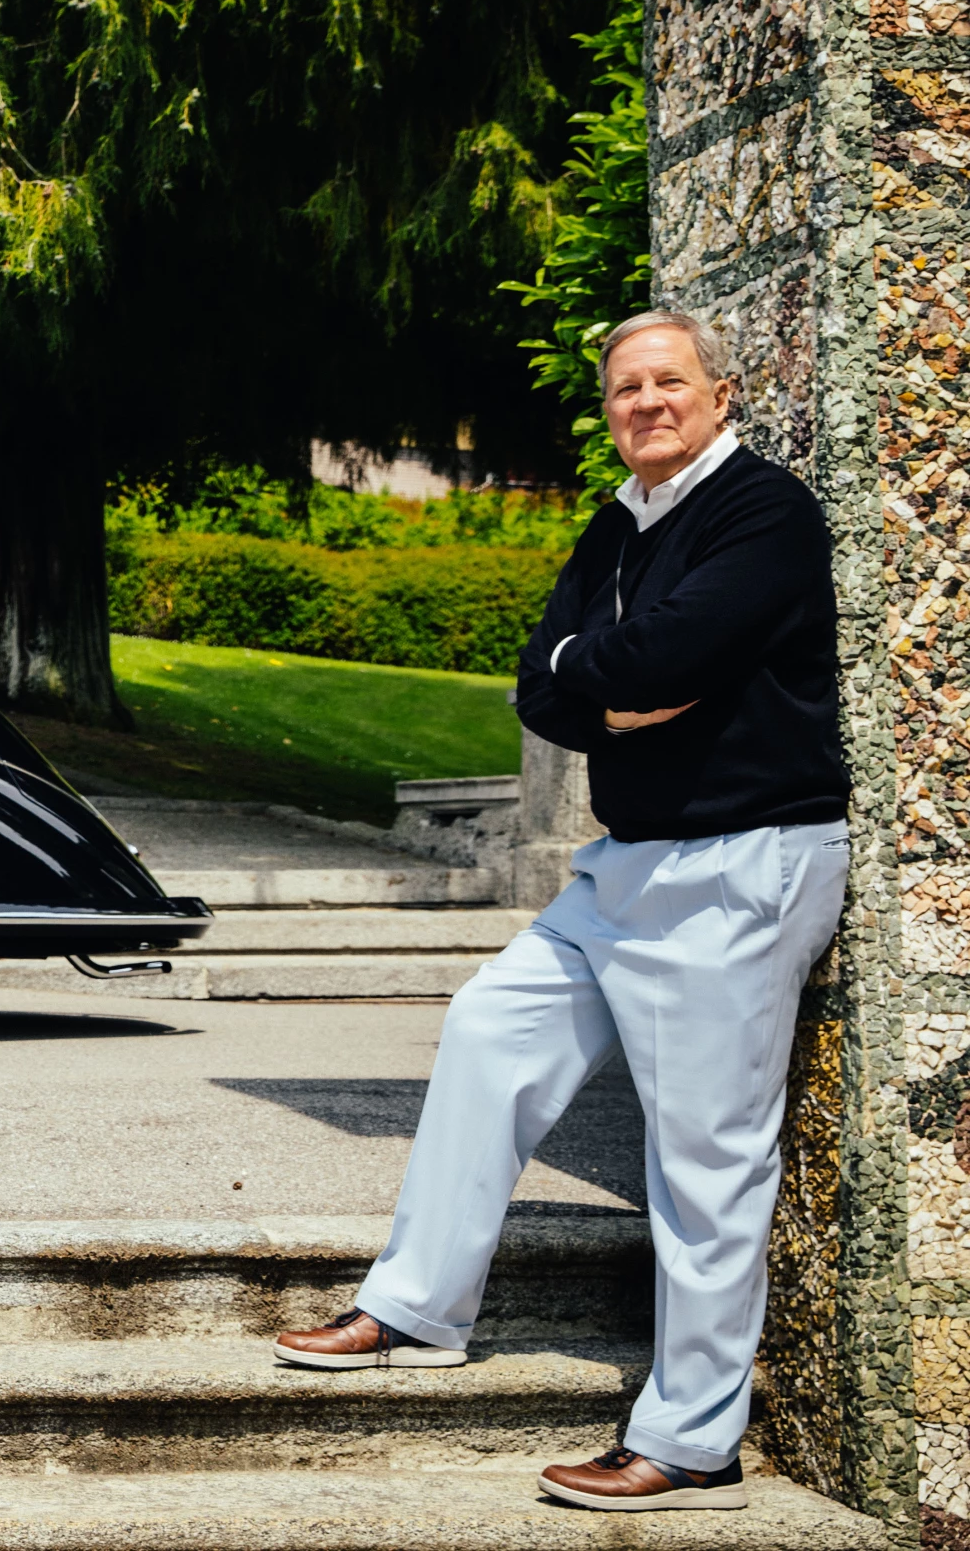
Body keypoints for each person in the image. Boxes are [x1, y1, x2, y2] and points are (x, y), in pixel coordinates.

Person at [271, 310, 852, 1512]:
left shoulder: (765, 514)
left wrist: (620, 671)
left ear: (720, 394)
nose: (646, 401)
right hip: (629, 867)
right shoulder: (617, 523)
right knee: (490, 1028)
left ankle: (692, 1442)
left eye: (669, 381)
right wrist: (618, 681)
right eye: (626, 387)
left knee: (705, 1159)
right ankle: (418, 1308)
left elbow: (658, 657)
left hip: (741, 867)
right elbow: (544, 686)